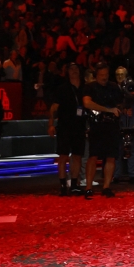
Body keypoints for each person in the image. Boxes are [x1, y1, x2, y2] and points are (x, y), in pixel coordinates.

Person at [81, 62, 123, 199]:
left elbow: (120, 102)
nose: (104, 77)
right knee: (93, 156)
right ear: (96, 75)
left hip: (112, 125)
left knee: (111, 156)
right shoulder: (90, 87)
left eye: (106, 75)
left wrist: (123, 109)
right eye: (101, 75)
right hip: (97, 125)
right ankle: (88, 187)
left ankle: (106, 187)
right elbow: (87, 103)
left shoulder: (113, 87)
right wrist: (107, 109)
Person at [48, 63, 86, 196]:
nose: (74, 71)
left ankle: (75, 184)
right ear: (67, 72)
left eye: (76, 69)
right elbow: (53, 108)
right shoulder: (62, 89)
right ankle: (63, 185)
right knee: (63, 156)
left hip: (80, 126)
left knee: (77, 156)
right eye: (71, 69)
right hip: (64, 126)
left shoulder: (85, 87)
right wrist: (51, 124)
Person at [114, 66, 134, 184]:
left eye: (122, 74)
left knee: (129, 147)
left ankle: (132, 174)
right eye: (117, 75)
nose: (120, 77)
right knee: (117, 149)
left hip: (129, 122)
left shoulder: (131, 86)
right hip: (117, 122)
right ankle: (117, 174)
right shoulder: (114, 87)